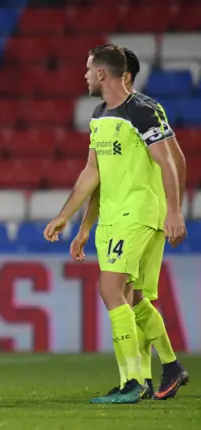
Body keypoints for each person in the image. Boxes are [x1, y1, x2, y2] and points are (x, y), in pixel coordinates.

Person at [43, 44, 186, 404]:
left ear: (103, 74)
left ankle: (135, 382)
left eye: (90, 70)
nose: (86, 76)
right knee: (133, 298)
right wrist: (69, 217)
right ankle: (163, 368)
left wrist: (174, 211)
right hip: (116, 215)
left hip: (135, 214)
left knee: (111, 292)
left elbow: (169, 162)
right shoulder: (99, 114)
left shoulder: (141, 111)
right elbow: (94, 172)